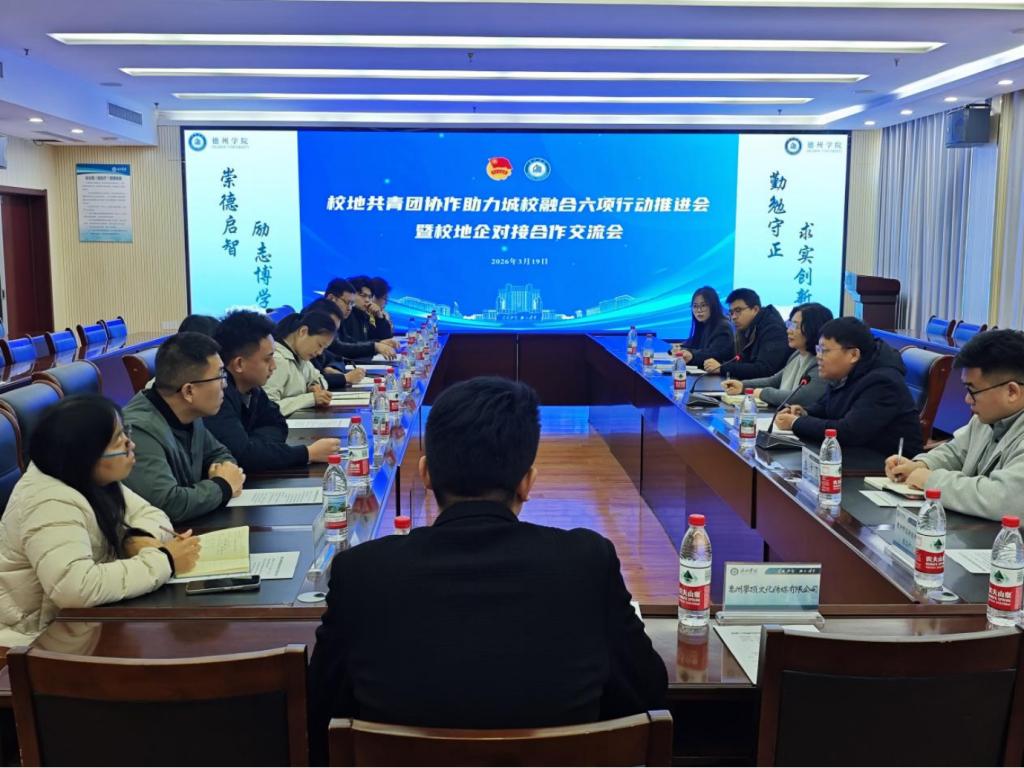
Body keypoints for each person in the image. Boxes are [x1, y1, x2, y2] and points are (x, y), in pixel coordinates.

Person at [307, 377, 667, 761]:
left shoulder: (361, 573)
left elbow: (320, 711)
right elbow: (648, 692)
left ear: (426, 474)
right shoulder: (587, 563)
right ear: (527, 482)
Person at [0, 395, 201, 646]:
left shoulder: (86, 475)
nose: (131, 444)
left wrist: (136, 538)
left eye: (126, 432)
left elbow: (152, 514)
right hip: (29, 639)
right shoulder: (50, 500)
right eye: (119, 440)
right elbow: (74, 588)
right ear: (87, 453)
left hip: (78, 622)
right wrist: (166, 560)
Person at [885, 329, 1024, 520]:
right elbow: (956, 452)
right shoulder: (988, 418)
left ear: (1012, 392)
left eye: (972, 391)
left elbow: (1005, 500)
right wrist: (920, 465)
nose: (967, 399)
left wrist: (931, 480)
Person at [123, 332, 246, 522]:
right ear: (189, 391)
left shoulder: (189, 412)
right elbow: (169, 504)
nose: (225, 384)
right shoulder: (138, 430)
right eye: (220, 376)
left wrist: (223, 472)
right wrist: (222, 486)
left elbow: (220, 454)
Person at [206, 310, 341, 473]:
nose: (274, 366)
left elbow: (278, 424)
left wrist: (255, 446)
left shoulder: (253, 389)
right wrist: (307, 454)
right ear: (239, 364)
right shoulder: (216, 396)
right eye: (267, 359)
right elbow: (243, 456)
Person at [774, 317, 924, 458]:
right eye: (818, 349)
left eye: (824, 351)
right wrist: (804, 412)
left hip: (886, 464)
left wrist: (795, 422)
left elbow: (849, 432)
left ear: (853, 355)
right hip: (856, 454)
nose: (818, 356)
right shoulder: (849, 372)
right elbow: (826, 407)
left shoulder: (882, 382)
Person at [723, 302, 833, 408]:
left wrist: (761, 393)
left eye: (795, 326)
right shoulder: (797, 355)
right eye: (790, 324)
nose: (789, 331)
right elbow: (774, 381)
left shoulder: (821, 362)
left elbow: (800, 398)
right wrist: (743, 386)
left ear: (813, 328)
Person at [704, 288, 789, 378]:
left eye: (738, 311)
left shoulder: (773, 329)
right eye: (731, 313)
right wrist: (696, 357)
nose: (734, 317)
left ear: (755, 309)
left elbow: (764, 369)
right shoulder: (745, 328)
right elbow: (727, 354)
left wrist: (722, 368)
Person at [265, 311, 336, 417]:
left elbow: (320, 378)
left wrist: (314, 386)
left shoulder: (301, 357)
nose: (320, 352)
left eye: (324, 348)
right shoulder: (277, 360)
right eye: (319, 345)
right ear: (303, 331)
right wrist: (311, 398)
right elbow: (268, 409)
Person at [323, 277, 396, 362]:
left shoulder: (363, 315)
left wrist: (379, 318)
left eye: (369, 297)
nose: (367, 300)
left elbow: (356, 341)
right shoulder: (326, 316)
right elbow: (340, 347)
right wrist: (375, 346)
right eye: (363, 296)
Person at [302, 298, 367, 391]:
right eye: (330, 328)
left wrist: (331, 367)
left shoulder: (319, 345)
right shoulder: (302, 350)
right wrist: (345, 378)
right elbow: (310, 383)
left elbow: (337, 359)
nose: (332, 335)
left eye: (335, 330)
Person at [676, 286, 734, 367]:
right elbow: (692, 344)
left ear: (713, 306)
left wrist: (691, 355)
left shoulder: (723, 327)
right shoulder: (703, 324)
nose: (699, 310)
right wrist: (678, 348)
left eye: (703, 305)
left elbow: (714, 353)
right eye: (695, 306)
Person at [367, 276, 395, 341]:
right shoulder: (363, 315)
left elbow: (388, 338)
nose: (386, 303)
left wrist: (381, 318)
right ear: (373, 297)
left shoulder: (379, 314)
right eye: (385, 299)